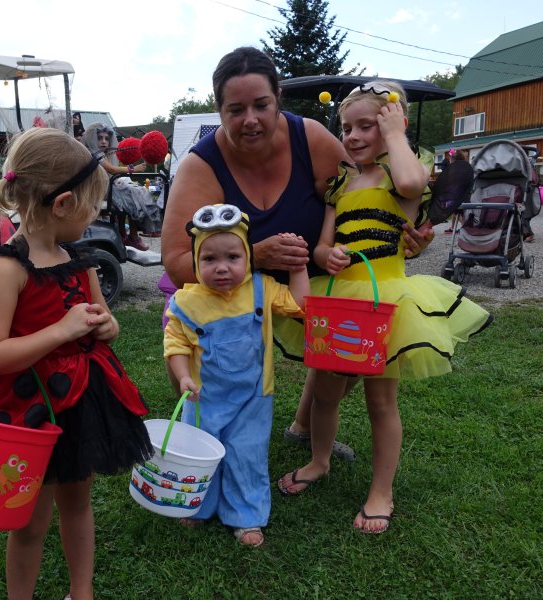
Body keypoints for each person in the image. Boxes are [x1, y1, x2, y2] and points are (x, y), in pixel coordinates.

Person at [160, 47, 434, 461]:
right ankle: (213, 426)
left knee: (351, 334)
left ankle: (306, 425)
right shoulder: (201, 166)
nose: (250, 119)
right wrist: (254, 257)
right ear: (218, 110)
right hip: (230, 291)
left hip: (317, 273)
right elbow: (178, 262)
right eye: (235, 109)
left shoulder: (311, 138)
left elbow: (372, 192)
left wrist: (408, 235)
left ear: (278, 99)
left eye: (261, 105)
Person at [275, 80, 492, 535]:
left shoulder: (401, 174)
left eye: (365, 126)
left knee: (381, 401)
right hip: (339, 296)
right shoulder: (341, 183)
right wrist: (323, 256)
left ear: (394, 125)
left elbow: (415, 183)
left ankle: (382, 490)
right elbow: (323, 244)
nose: (351, 136)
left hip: (386, 296)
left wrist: (396, 133)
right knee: (327, 391)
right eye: (346, 127)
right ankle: (319, 460)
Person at [0, 127, 153, 600]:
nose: (95, 216)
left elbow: (98, 322)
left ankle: (82, 591)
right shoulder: (7, 270)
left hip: (80, 404)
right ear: (65, 204)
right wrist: (60, 331)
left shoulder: (80, 261)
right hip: (31, 410)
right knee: (29, 519)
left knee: (78, 501)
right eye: (93, 206)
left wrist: (105, 327)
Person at [164, 204, 309, 547]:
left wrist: (300, 267)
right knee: (200, 453)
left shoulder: (263, 288)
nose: (222, 267)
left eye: (232, 256)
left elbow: (302, 305)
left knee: (247, 453)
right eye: (209, 259)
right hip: (204, 398)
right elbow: (176, 344)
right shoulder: (186, 301)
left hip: (253, 398)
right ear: (197, 262)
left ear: (248, 256)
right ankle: (197, 506)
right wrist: (183, 377)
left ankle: (246, 516)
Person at [81, 123, 160, 250]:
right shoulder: (94, 153)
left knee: (132, 191)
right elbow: (111, 170)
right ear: (92, 139)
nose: (103, 142)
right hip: (97, 190)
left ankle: (124, 233)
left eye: (106, 139)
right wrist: (133, 169)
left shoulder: (104, 154)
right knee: (134, 194)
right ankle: (134, 235)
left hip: (106, 188)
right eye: (100, 138)